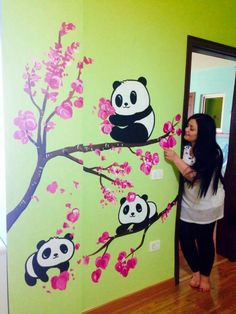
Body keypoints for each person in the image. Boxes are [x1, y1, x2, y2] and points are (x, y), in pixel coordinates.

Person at [164, 113, 225, 292]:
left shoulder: (213, 153)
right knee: (185, 239)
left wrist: (175, 159)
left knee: (205, 241)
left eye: (191, 128)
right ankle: (196, 271)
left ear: (203, 132)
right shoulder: (185, 147)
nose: (186, 130)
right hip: (188, 203)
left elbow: (192, 176)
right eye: (187, 126)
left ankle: (205, 277)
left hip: (208, 205)